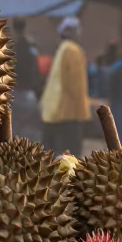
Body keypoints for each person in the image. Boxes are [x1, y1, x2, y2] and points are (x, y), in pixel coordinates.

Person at [40, 15, 90, 157]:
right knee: (70, 156)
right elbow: (75, 86)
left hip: (53, 111)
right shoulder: (73, 51)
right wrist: (82, 110)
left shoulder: (62, 49)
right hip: (68, 113)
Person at [10, 17, 42, 141]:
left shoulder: (13, 47)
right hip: (29, 94)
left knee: (14, 130)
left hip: (15, 91)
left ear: (13, 28)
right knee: (30, 131)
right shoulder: (31, 47)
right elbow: (36, 71)